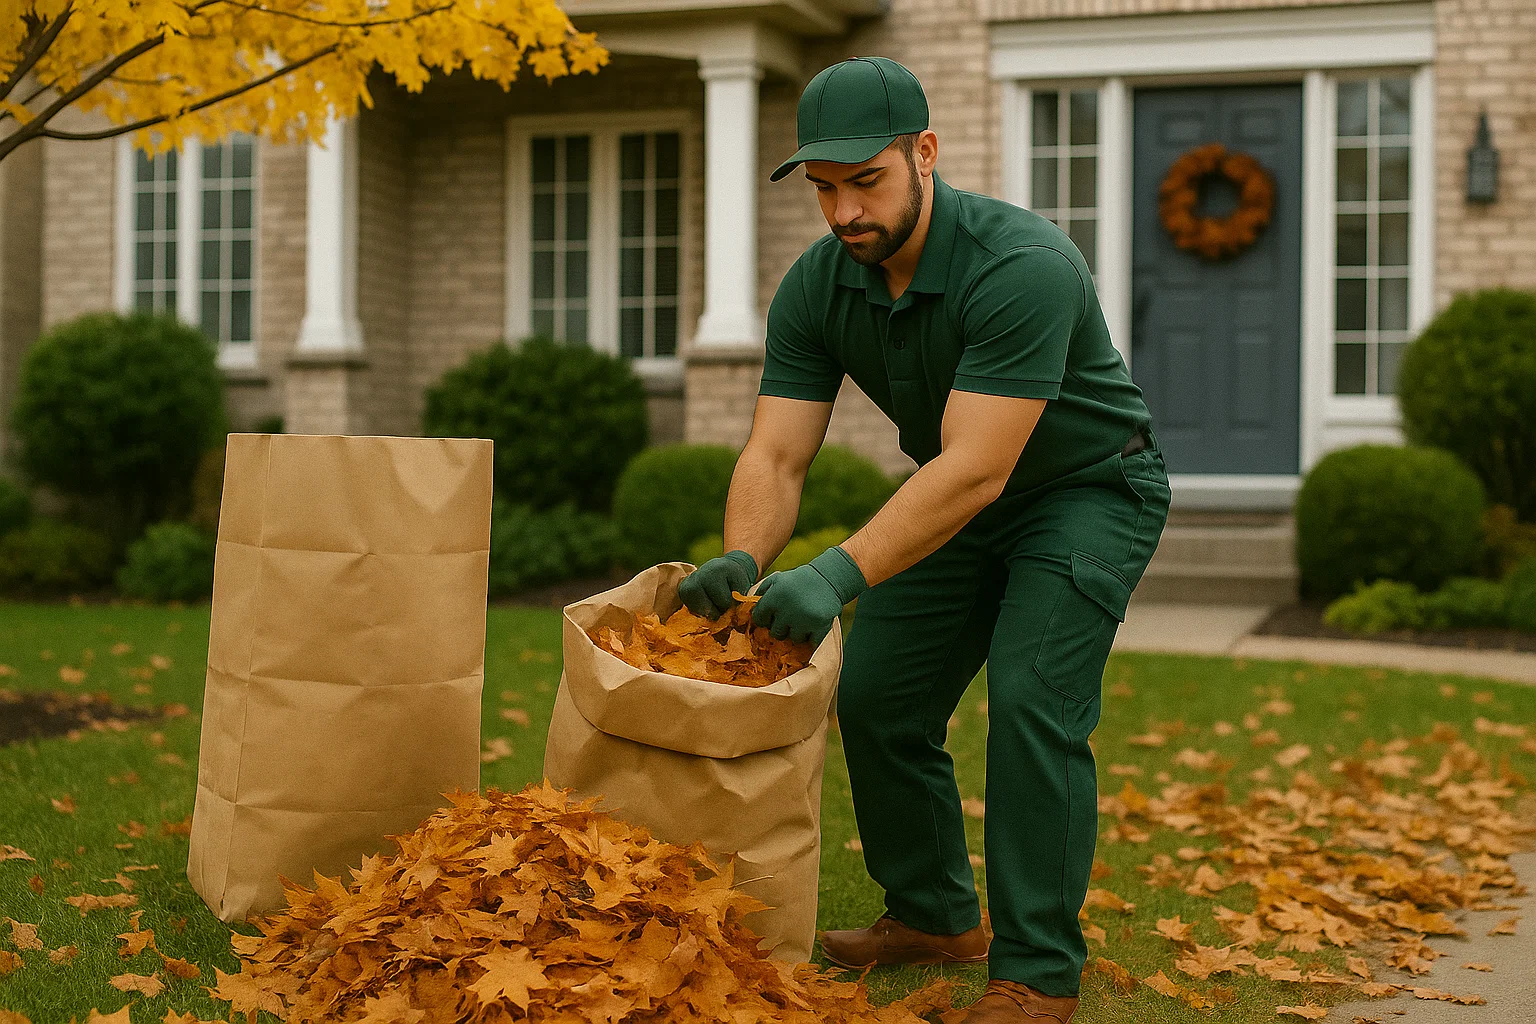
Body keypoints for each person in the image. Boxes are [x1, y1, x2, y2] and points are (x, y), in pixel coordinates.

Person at [677, 55, 1170, 1024]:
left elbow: (980, 466)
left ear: (926, 153)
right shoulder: (818, 286)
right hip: (959, 496)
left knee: (1033, 699)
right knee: (879, 696)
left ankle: (1036, 973)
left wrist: (838, 571)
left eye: (867, 181)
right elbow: (777, 455)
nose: (844, 211)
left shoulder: (1020, 266)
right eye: (824, 189)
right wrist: (745, 554)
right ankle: (937, 913)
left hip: (1086, 488)